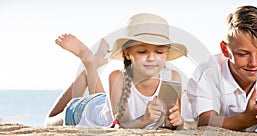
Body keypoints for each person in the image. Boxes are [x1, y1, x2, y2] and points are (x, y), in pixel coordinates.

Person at [45, 13, 187, 129]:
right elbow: (119, 125)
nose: (151, 58)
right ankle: (88, 61)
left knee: (102, 102)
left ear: (167, 54)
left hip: (105, 105)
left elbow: (171, 123)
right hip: (84, 111)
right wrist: (145, 119)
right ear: (127, 53)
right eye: (142, 51)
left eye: (159, 51)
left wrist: (177, 121)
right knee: (48, 122)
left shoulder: (173, 78)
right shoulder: (117, 77)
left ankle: (92, 65)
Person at [187, 5, 257, 132]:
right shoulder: (208, 72)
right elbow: (205, 122)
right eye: (243, 54)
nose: (254, 63)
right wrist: (246, 119)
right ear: (225, 50)